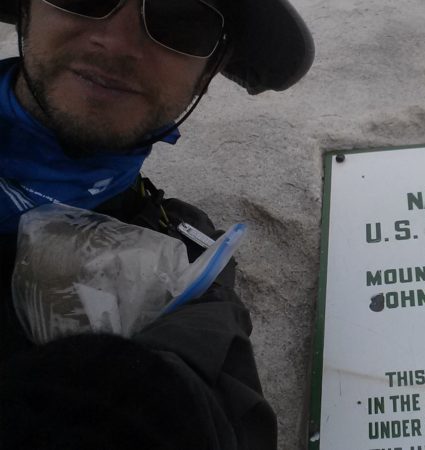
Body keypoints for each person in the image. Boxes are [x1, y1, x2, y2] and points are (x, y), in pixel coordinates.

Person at [0, 0, 313, 447]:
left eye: (183, 20)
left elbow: (211, 394)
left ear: (210, 68)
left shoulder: (184, 255)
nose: (116, 43)